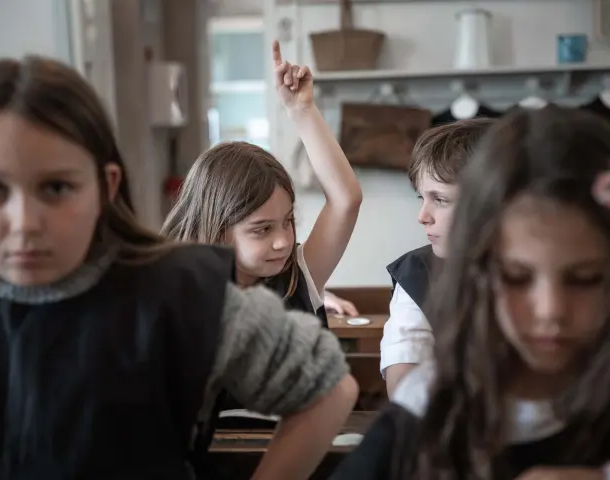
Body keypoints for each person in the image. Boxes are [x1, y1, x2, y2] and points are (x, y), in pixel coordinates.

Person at [0, 54, 359, 479]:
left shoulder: (181, 294)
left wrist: (302, 110)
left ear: (106, 186)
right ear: (218, 229)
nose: (25, 223)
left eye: (57, 187)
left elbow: (329, 390)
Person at [331, 106, 610, 479]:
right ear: (477, 271)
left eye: (585, 279)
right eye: (516, 277)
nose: (550, 310)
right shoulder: (430, 404)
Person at [162, 41, 362, 327]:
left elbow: (346, 200)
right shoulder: (176, 300)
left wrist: (301, 109)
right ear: (217, 232)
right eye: (262, 229)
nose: (283, 242)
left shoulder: (295, 282)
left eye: (288, 221)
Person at [381, 118, 494, 395]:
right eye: (422, 199)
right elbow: (404, 387)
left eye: (440, 200)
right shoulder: (417, 273)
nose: (423, 217)